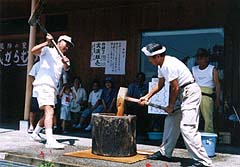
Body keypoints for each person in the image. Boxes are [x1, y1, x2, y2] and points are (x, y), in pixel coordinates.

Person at [140, 43, 212, 167]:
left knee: (187, 128)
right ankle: (165, 152)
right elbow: (160, 84)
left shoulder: (169, 64)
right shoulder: (161, 66)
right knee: (171, 120)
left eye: (150, 57)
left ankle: (204, 162)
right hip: (181, 93)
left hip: (190, 92)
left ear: (157, 57)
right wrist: (147, 96)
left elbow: (174, 87)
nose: (148, 60)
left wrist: (171, 106)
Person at [30, 33, 74, 149]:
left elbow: (67, 67)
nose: (67, 47)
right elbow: (33, 51)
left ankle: (35, 133)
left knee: (49, 112)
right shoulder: (48, 50)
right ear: (59, 42)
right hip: (44, 84)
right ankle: (49, 140)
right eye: (66, 43)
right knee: (49, 110)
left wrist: (65, 62)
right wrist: (46, 42)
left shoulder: (63, 58)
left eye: (69, 46)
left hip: (52, 87)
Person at [192, 48, 221, 133]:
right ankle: (193, 138)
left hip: (207, 96)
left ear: (207, 58)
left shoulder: (212, 69)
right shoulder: (194, 69)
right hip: (195, 94)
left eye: (202, 57)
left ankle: (208, 139)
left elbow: (217, 85)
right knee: (193, 118)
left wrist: (217, 99)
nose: (200, 60)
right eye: (198, 58)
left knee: (208, 119)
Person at [28, 61, 41, 133]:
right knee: (33, 109)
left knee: (45, 110)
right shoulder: (37, 65)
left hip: (46, 91)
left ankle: (40, 127)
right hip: (36, 91)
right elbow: (31, 75)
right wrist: (34, 83)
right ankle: (31, 125)